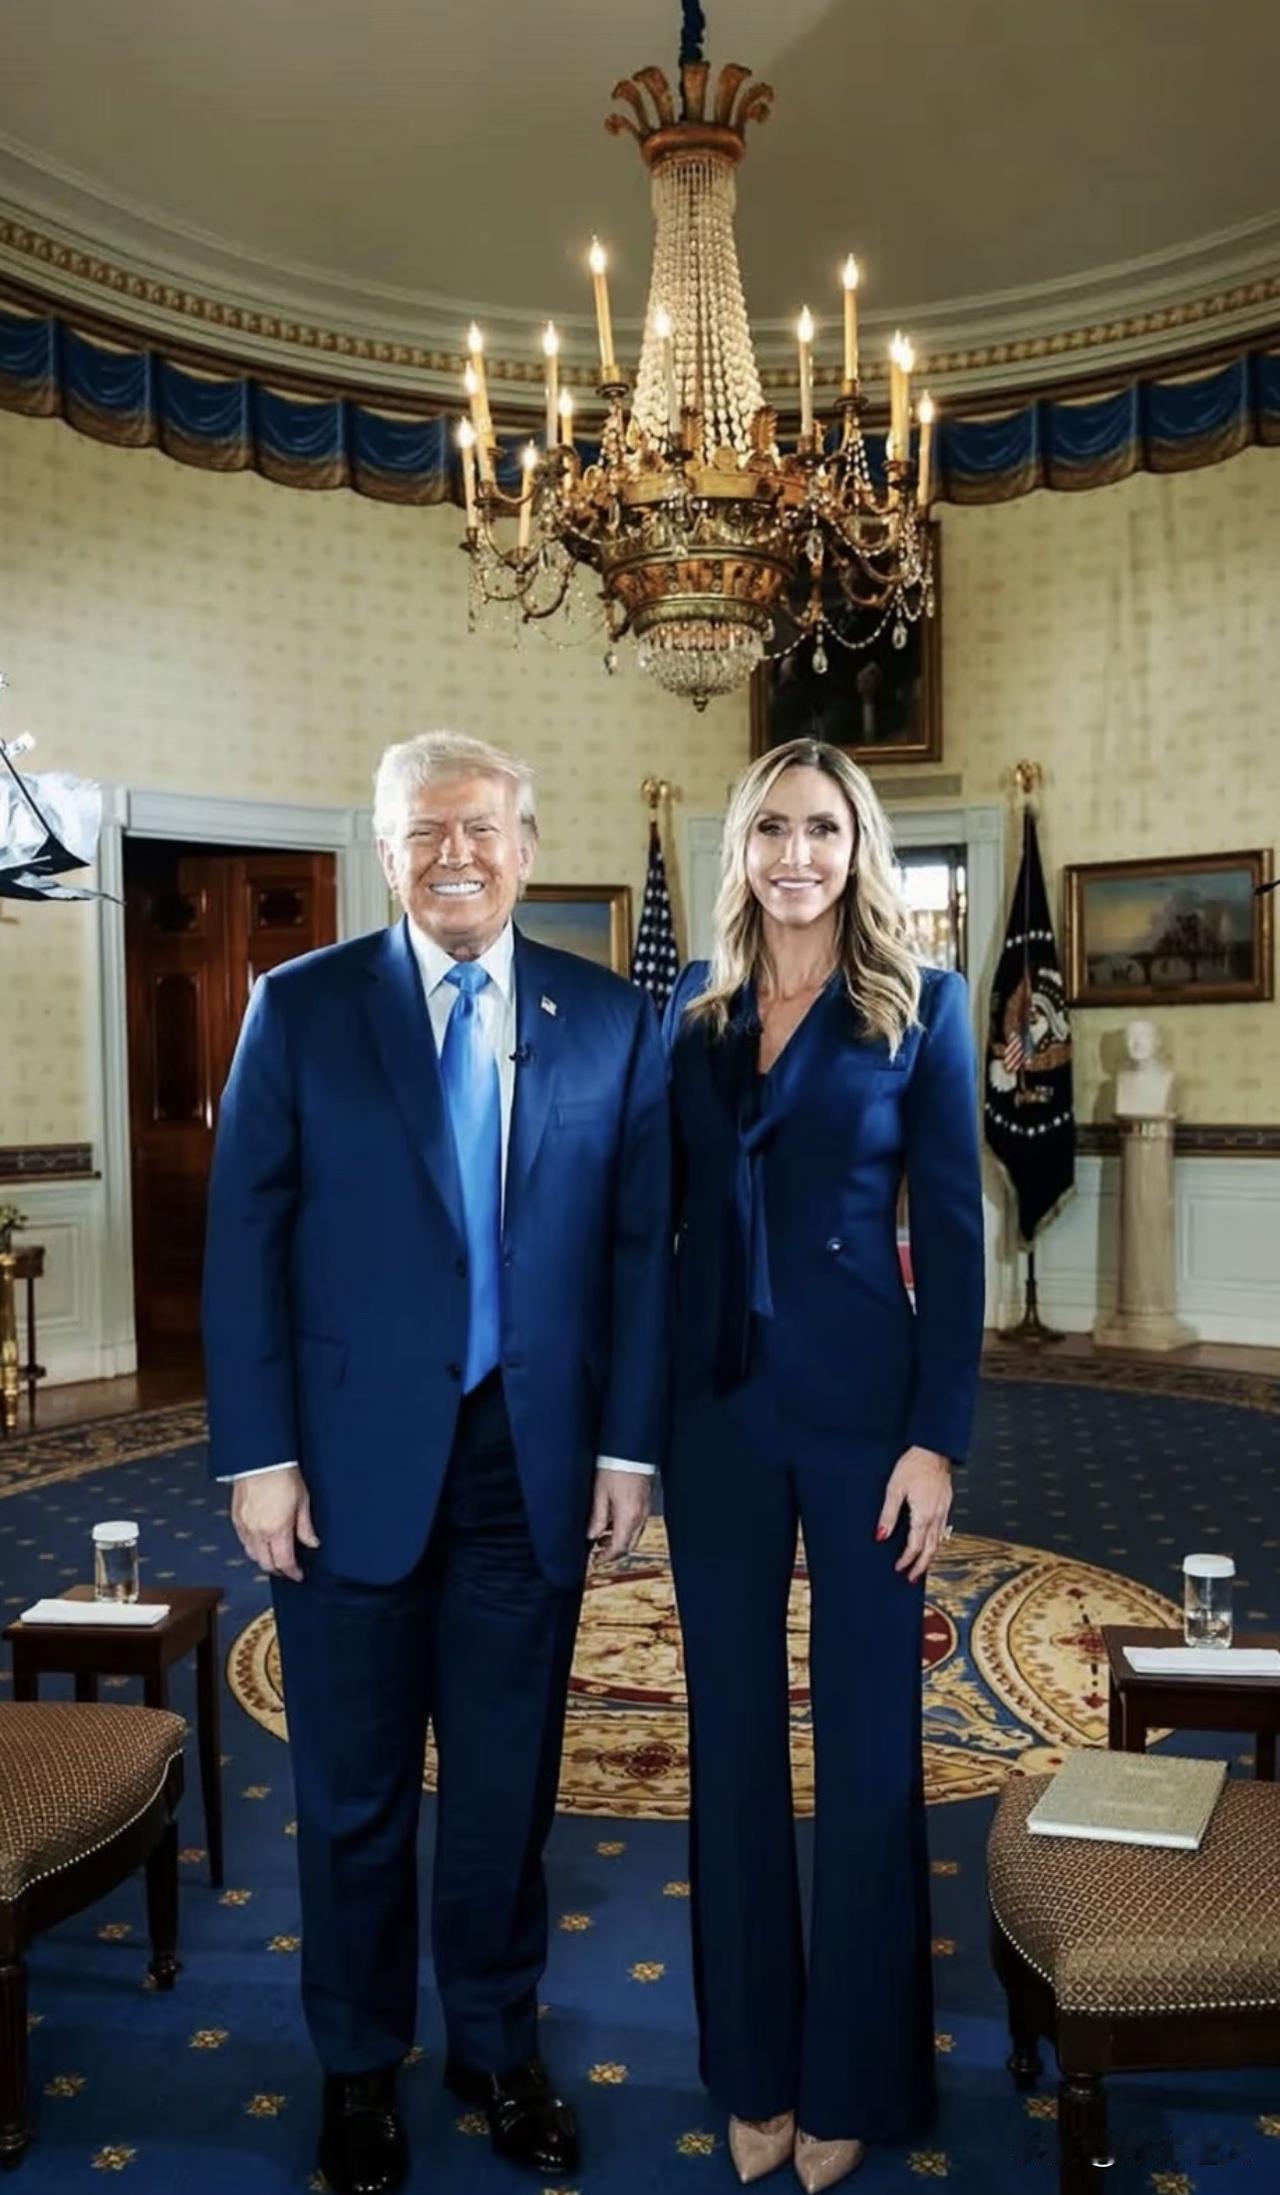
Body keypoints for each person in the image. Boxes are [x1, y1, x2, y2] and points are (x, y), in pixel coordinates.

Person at [203, 731, 669, 2195]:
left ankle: (497, 2048)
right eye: (426, 831)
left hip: (531, 1468)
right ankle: (358, 2069)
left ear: (527, 846)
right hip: (342, 1472)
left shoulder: (613, 1019)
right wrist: (261, 1456)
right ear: (386, 850)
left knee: (503, 1793)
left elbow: (638, 1254)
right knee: (350, 1794)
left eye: (480, 828)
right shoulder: (300, 1005)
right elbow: (245, 1246)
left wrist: (627, 1448)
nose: (455, 854)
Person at [662, 737, 984, 2191]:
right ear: (741, 848)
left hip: (868, 1422)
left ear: (858, 851)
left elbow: (956, 1237)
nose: (798, 854)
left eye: (824, 830)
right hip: (715, 1420)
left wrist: (938, 1439)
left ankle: (854, 2072)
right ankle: (752, 2066)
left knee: (866, 1746)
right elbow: (655, 1226)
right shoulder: (693, 1011)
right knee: (729, 1739)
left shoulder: (923, 1006)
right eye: (773, 829)